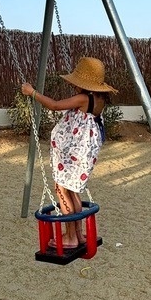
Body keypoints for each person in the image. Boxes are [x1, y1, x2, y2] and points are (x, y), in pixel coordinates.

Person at [21, 56, 117, 250]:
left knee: (61, 189)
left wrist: (33, 93)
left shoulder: (83, 98)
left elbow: (55, 105)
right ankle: (78, 234)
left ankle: (71, 237)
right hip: (84, 151)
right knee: (72, 190)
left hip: (73, 152)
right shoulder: (99, 100)